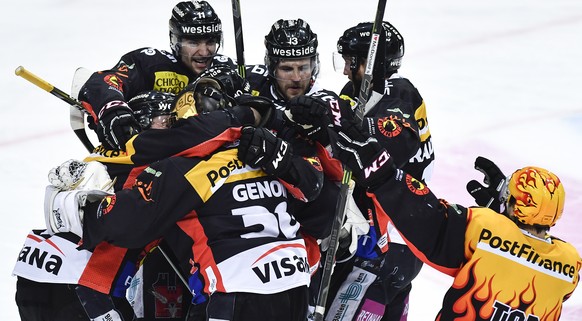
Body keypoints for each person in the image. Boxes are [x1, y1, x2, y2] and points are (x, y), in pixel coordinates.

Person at [41, 123, 326, 321]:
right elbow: (321, 205)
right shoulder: (269, 154)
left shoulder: (189, 168)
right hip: (295, 289)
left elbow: (125, 222)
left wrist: (82, 205)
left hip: (235, 294)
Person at [330, 120, 581, 321]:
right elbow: (527, 263)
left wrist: (380, 171)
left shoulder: (484, 229)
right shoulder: (570, 265)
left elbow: (426, 219)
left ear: (515, 206)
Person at [289, 21, 433, 321]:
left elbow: (394, 142)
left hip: (392, 243)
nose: (344, 70)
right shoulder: (360, 93)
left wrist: (336, 118)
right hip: (391, 238)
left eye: (350, 62)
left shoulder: (400, 93)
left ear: (370, 64)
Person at [13, 90, 178, 321]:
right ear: (141, 123)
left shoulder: (98, 159)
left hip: (37, 273)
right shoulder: (158, 169)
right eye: (167, 121)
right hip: (85, 288)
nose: (176, 128)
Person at [79, 0, 236, 152]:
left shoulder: (226, 68)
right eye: (194, 43)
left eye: (210, 42)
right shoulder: (149, 63)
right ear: (175, 41)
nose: (204, 52)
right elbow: (102, 81)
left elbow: (258, 87)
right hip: (155, 160)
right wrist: (112, 110)